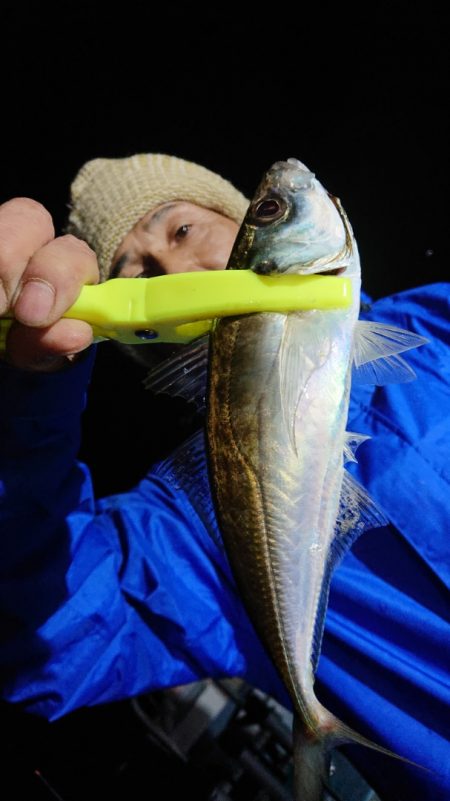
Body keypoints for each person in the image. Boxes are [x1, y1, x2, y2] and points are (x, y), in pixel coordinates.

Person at [0, 154, 449, 801]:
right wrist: (25, 397)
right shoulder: (195, 527)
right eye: (139, 275)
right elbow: (55, 644)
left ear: (237, 218)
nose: (176, 269)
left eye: (181, 231)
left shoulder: (433, 325)